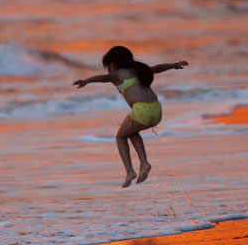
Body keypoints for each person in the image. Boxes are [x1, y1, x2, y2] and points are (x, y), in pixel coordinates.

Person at [73, 46, 188, 188]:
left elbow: (104, 78)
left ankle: (130, 172)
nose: (108, 70)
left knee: (120, 136)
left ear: (113, 65)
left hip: (142, 110)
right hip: (156, 110)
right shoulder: (138, 70)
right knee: (131, 131)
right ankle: (144, 164)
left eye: (107, 67)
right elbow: (157, 68)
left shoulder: (120, 73)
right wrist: (174, 65)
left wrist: (86, 81)